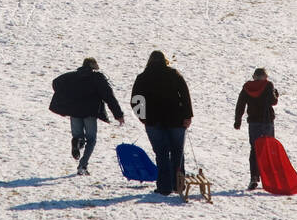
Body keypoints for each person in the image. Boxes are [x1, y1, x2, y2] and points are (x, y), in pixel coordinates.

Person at [129, 51, 193, 196]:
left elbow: (135, 100)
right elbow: (185, 95)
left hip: (153, 121)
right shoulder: (174, 74)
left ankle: (164, 187)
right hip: (176, 120)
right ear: (165, 61)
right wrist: (188, 116)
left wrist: (143, 118)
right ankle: (178, 185)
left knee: (161, 154)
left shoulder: (143, 77)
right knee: (178, 152)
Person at [51, 58, 126, 176]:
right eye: (96, 62)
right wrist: (118, 114)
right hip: (90, 112)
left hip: (74, 111)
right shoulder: (98, 78)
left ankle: (77, 142)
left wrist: (68, 94)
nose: (98, 64)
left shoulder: (72, 76)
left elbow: (56, 82)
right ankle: (83, 165)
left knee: (77, 136)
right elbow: (109, 96)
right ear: (92, 64)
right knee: (91, 139)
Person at [234, 67, 279, 191]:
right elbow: (273, 101)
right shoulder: (268, 85)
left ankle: (254, 177)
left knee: (255, 149)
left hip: (254, 123)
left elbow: (240, 104)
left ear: (254, 77)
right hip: (267, 122)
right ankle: (270, 179)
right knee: (268, 149)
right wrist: (275, 93)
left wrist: (238, 120)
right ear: (265, 77)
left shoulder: (247, 87)